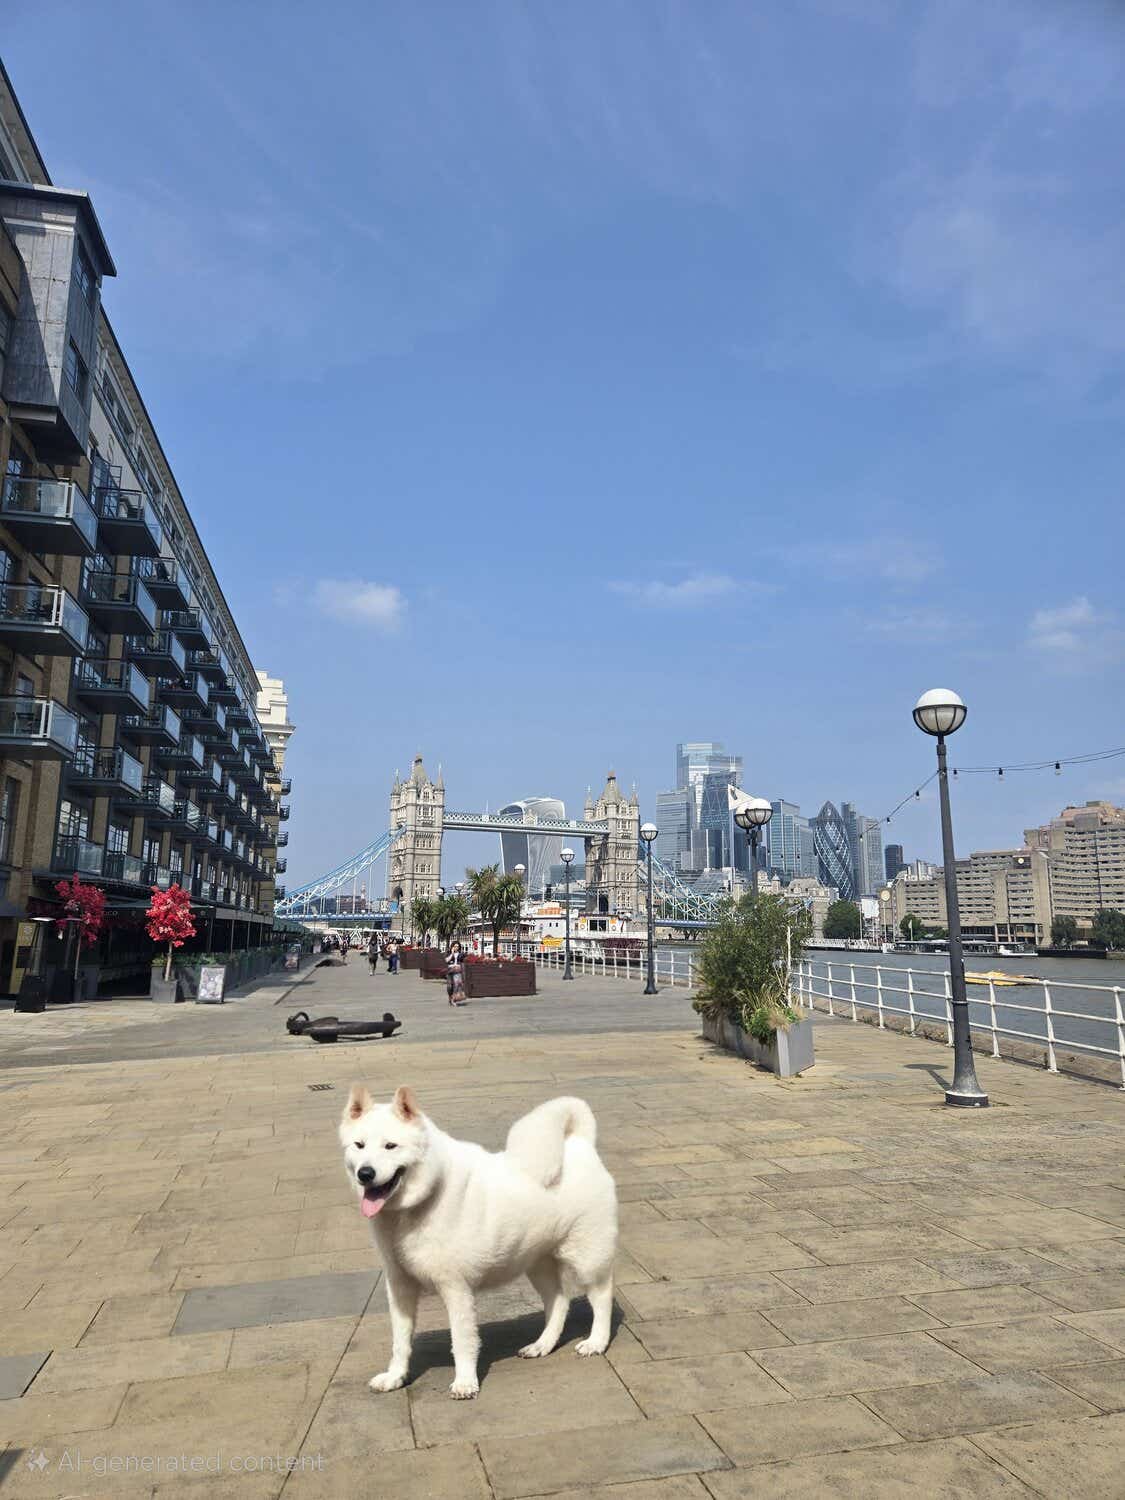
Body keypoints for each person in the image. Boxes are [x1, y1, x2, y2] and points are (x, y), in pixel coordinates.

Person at [445, 940, 467, 1006]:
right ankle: (450, 997)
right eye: (455, 946)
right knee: (449, 986)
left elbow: (463, 963)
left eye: (457, 946)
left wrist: (463, 972)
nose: (456, 948)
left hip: (457, 970)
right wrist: (452, 954)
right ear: (452, 947)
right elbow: (446, 960)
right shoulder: (448, 953)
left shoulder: (461, 954)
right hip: (450, 970)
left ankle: (454, 1000)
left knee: (456, 985)